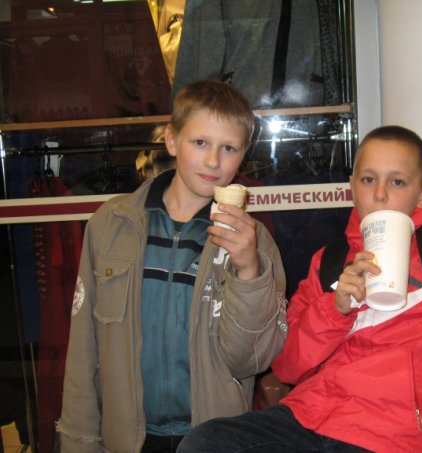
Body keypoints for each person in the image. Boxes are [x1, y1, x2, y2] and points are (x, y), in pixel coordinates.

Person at [177, 125, 422, 453]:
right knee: (203, 443)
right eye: (368, 180)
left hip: (395, 436)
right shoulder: (329, 260)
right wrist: (334, 308)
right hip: (308, 419)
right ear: (352, 186)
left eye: (397, 182)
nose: (379, 195)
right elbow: (286, 368)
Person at [56, 80, 288, 453]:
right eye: (200, 142)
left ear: (243, 155)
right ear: (171, 140)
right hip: (127, 440)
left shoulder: (253, 242)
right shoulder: (110, 225)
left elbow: (250, 361)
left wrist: (248, 272)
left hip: (211, 440)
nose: (213, 161)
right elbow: (84, 349)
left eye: (228, 148)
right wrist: (78, 441)